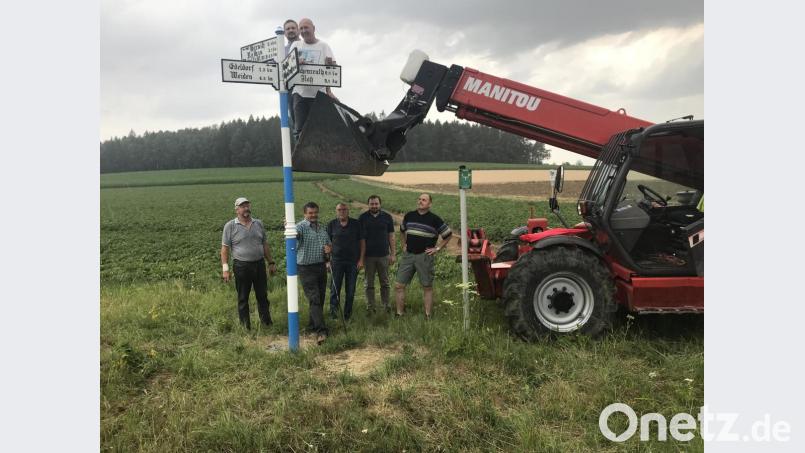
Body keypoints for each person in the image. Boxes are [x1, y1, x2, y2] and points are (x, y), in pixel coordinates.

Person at [221, 197, 277, 330]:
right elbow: (224, 249)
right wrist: (225, 269)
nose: (246, 208)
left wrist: (271, 262)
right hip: (241, 266)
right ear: (237, 210)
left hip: (259, 264)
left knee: (262, 295)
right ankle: (245, 327)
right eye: (242, 206)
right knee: (243, 297)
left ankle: (266, 323)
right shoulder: (230, 226)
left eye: (247, 205)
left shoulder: (258, 223)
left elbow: (264, 244)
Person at [395, 193, 452, 319]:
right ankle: (399, 314)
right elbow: (402, 231)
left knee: (427, 286)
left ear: (429, 204)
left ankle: (428, 315)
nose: (420, 201)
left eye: (424, 200)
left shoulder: (435, 219)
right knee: (399, 285)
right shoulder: (409, 216)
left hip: (424, 256)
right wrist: (404, 244)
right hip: (408, 255)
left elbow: (448, 234)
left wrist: (437, 248)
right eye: (419, 199)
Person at [288, 18, 337, 141]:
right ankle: (301, 159)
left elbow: (332, 71)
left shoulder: (324, 46)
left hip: (319, 95)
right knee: (300, 130)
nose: (304, 30)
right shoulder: (296, 45)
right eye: (301, 28)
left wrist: (329, 91)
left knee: (320, 129)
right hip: (300, 94)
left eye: (306, 27)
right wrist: (296, 62)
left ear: (313, 28)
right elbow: (288, 67)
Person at [296, 202, 332, 343]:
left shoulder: (321, 227)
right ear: (305, 214)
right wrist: (288, 227)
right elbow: (295, 236)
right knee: (315, 298)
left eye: (315, 212)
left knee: (320, 298)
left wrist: (329, 248)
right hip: (306, 268)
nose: (313, 215)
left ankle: (312, 325)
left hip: (320, 266)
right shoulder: (301, 227)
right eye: (310, 213)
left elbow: (328, 243)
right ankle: (321, 331)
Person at [326, 203, 364, 321]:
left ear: (348, 211)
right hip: (336, 262)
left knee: (351, 290)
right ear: (336, 211)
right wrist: (327, 260)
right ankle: (333, 314)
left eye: (344, 209)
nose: (342, 211)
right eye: (339, 209)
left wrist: (361, 260)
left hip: (353, 262)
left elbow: (362, 242)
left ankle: (347, 315)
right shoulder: (331, 225)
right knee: (334, 289)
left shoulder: (356, 224)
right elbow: (327, 244)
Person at [358, 195, 396, 313]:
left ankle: (386, 305)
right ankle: (371, 307)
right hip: (368, 256)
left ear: (380, 204)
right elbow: (360, 239)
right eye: (372, 204)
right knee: (369, 283)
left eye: (376, 203)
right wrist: (361, 258)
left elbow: (391, 236)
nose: (374, 206)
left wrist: (393, 253)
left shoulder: (387, 217)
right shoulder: (362, 218)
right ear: (368, 204)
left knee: (385, 282)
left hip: (384, 255)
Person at [283, 19, 300, 134]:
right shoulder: (281, 50)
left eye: (293, 28)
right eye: (288, 29)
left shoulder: (306, 45)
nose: (291, 30)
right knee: (296, 124)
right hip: (290, 90)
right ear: (284, 33)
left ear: (298, 30)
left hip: (309, 89)